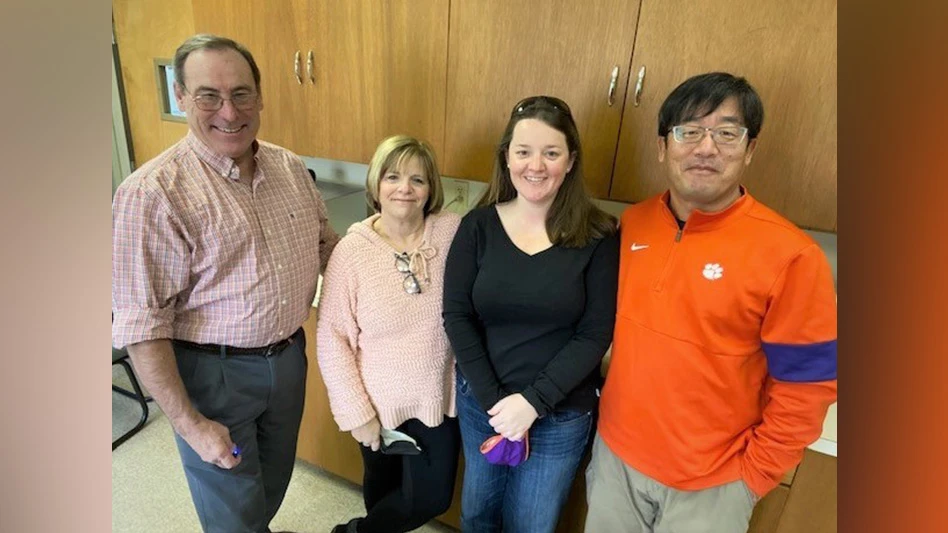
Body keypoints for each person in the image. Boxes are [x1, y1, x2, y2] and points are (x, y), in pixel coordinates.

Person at [585, 72, 838, 533]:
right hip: (615, 461)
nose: (706, 148)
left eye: (726, 133)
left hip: (714, 484)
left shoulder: (793, 256)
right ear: (663, 146)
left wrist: (753, 475)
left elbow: (810, 385)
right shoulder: (634, 225)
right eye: (689, 131)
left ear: (750, 148)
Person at [111, 34, 340, 533]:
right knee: (234, 513)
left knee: (270, 487)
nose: (229, 112)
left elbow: (329, 249)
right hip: (211, 375)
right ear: (181, 97)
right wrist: (190, 424)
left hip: (287, 362)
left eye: (241, 93)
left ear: (259, 95)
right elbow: (141, 325)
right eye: (208, 96)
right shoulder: (151, 194)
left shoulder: (289, 167)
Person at [442, 96, 620, 533]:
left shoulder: (599, 235)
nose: (535, 165)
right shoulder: (478, 226)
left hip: (559, 416)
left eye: (551, 152)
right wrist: (493, 403)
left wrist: (532, 404)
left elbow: (595, 333)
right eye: (523, 152)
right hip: (483, 402)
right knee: (477, 516)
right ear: (506, 157)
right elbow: (457, 315)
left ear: (571, 160)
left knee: (532, 525)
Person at [316, 135, 461, 533]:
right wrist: (357, 413)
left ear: (431, 188)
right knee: (383, 496)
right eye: (393, 176)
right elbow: (332, 338)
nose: (405, 188)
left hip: (438, 399)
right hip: (377, 408)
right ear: (376, 184)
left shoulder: (452, 233)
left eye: (418, 179)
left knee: (432, 497)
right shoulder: (352, 251)